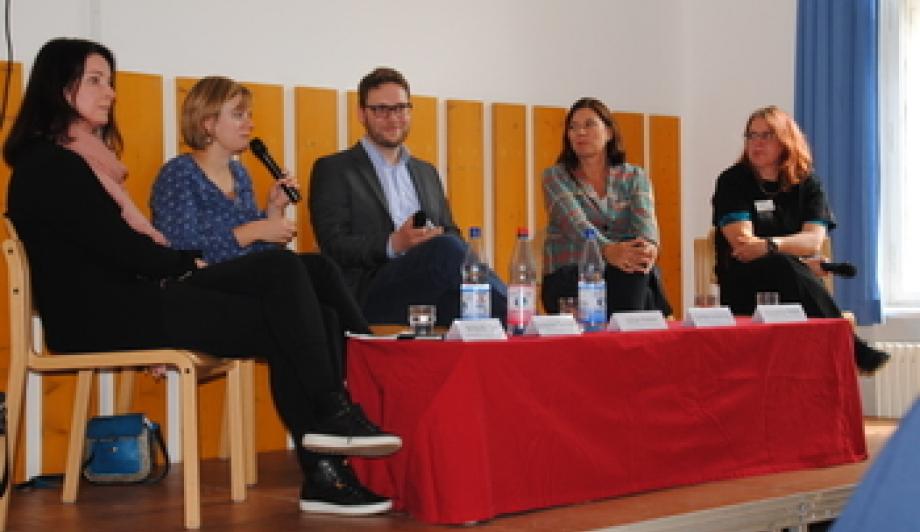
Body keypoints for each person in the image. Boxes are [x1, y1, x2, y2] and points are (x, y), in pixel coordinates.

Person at [4, 37, 401, 516]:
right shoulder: (50, 167)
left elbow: (127, 249)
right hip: (105, 315)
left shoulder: (87, 162)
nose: (109, 91)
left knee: (302, 280)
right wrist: (186, 264)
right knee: (284, 285)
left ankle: (330, 452)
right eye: (95, 80)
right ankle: (333, 424)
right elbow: (120, 249)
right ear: (58, 87)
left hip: (138, 298)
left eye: (110, 80)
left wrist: (182, 263)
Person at [149, 76, 388, 514]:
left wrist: (272, 213)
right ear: (206, 123)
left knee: (315, 274)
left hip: (236, 289)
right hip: (193, 289)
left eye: (248, 113)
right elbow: (182, 248)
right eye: (237, 114)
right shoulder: (179, 173)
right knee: (286, 268)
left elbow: (253, 258)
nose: (249, 123)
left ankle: (353, 377)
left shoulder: (240, 173)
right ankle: (335, 403)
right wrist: (256, 229)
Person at [309, 67, 507, 326]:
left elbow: (451, 232)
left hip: (430, 287)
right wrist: (395, 243)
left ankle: (526, 333)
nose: (393, 118)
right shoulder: (335, 169)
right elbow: (334, 245)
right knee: (447, 249)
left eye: (401, 108)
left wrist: (434, 239)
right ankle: (525, 317)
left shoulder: (426, 172)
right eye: (381, 110)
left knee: (483, 312)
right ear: (362, 114)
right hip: (370, 293)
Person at [711, 105, 888, 373]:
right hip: (745, 283)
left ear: (785, 141)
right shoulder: (733, 181)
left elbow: (813, 241)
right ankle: (850, 344)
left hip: (794, 284)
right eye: (751, 136)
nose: (756, 143)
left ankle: (842, 353)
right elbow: (744, 246)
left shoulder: (807, 183)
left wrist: (772, 245)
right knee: (783, 264)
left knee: (784, 264)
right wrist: (795, 256)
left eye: (766, 136)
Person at [540, 97, 671, 315]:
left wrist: (648, 249)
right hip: (570, 277)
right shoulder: (555, 176)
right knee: (641, 289)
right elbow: (576, 225)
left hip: (625, 275)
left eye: (589, 124)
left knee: (634, 259)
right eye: (573, 127)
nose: (580, 132)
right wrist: (608, 251)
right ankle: (636, 333)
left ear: (609, 132)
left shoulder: (634, 176)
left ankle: (628, 336)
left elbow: (646, 227)